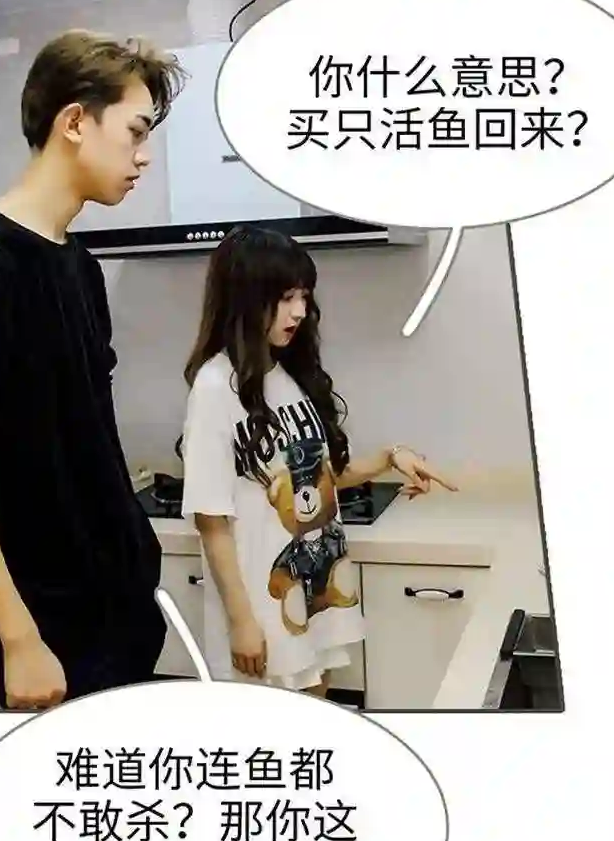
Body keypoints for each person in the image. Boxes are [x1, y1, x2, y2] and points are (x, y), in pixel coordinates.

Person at [0, 30, 184, 709]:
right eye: (136, 132)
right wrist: (18, 639)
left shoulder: (78, 265)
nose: (144, 156)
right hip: (52, 629)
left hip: (119, 607)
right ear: (75, 122)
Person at [180, 225, 456, 693]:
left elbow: (317, 481)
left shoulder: (286, 376)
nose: (300, 311)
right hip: (261, 616)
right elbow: (211, 520)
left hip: (313, 601)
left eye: (304, 296)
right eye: (285, 297)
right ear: (246, 299)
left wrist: (391, 458)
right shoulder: (214, 387)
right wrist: (242, 622)